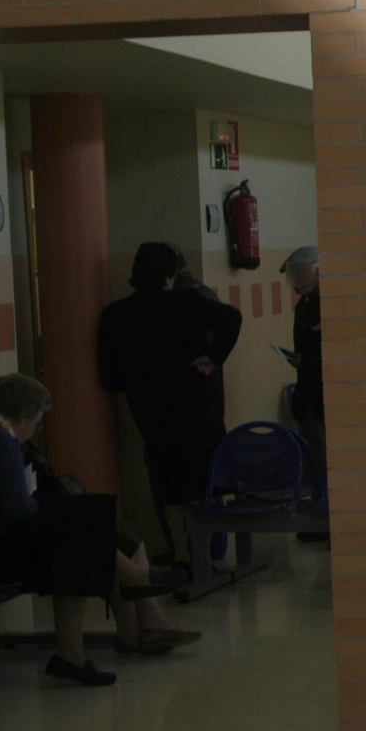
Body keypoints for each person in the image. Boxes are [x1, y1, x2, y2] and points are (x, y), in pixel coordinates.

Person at [0, 374, 199, 687]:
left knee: (85, 529)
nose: (35, 431)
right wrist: (51, 511)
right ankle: (124, 594)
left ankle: (90, 646)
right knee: (74, 537)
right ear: (22, 418)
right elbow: (17, 509)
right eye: (36, 424)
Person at [99, 243, 243, 567]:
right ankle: (208, 554)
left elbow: (109, 375)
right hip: (196, 408)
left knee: (169, 487)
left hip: (152, 413)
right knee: (203, 483)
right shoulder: (188, 301)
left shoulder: (115, 315)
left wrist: (138, 384)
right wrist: (213, 359)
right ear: (169, 275)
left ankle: (180, 554)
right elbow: (232, 318)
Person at [282, 248, 328, 526]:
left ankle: (331, 522)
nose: (295, 282)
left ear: (315, 271)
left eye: (298, 273)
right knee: (313, 459)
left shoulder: (326, 302)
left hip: (323, 394)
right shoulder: (304, 306)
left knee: (327, 458)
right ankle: (316, 520)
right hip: (306, 395)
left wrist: (306, 360)